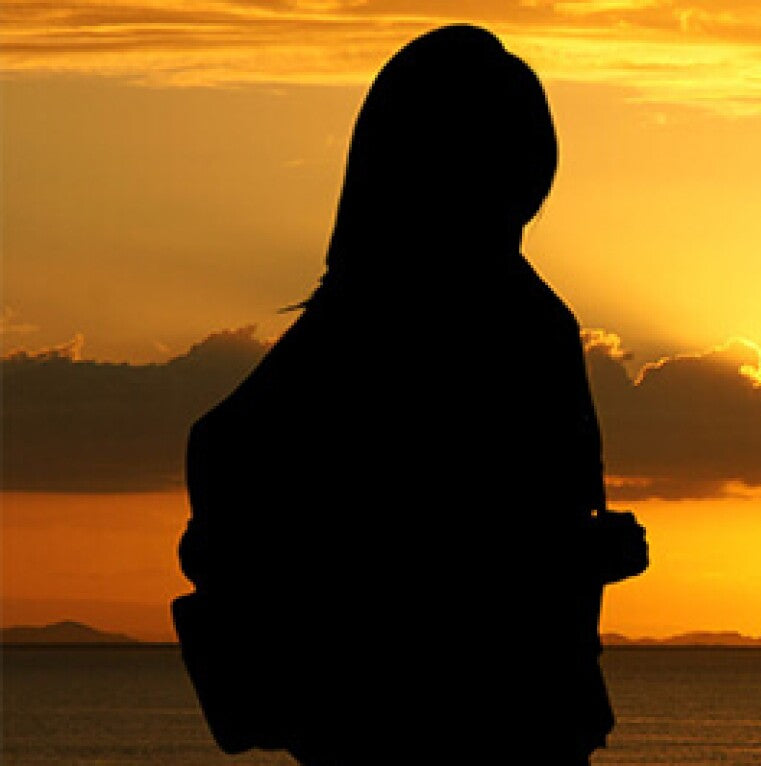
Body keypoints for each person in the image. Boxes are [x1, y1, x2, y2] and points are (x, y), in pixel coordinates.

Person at [172, 25, 647, 765]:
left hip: (501, 711)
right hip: (467, 719)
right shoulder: (431, 312)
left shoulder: (390, 309)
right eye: (509, 147)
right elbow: (442, 530)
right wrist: (570, 556)